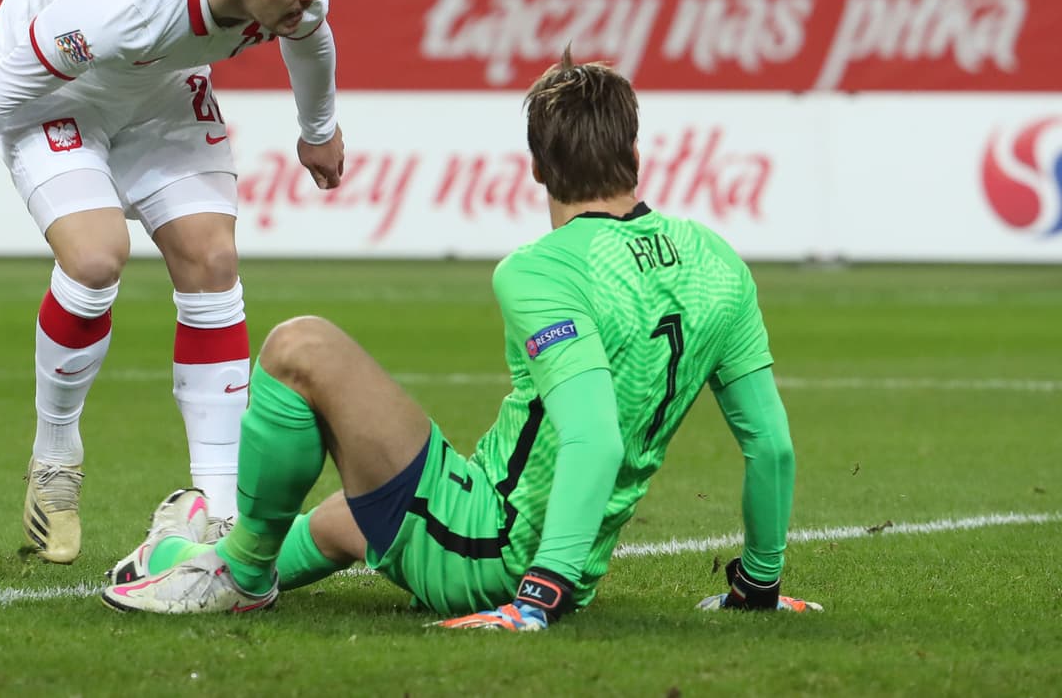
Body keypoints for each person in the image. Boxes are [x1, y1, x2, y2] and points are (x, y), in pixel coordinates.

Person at [98, 48, 821, 626]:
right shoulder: (717, 260)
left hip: (494, 549)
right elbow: (773, 443)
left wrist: (538, 593)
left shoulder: (542, 270)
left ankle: (239, 569)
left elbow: (594, 437)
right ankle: (199, 558)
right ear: (634, 152)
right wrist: (757, 584)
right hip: (539, 536)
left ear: (537, 167)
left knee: (299, 346)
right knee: (344, 520)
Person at [0, 0, 345, 566]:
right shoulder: (117, 3)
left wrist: (317, 129)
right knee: (96, 255)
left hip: (159, 86)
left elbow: (311, 40)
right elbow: (9, 82)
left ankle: (221, 509)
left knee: (212, 257)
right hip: (57, 93)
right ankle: (54, 456)